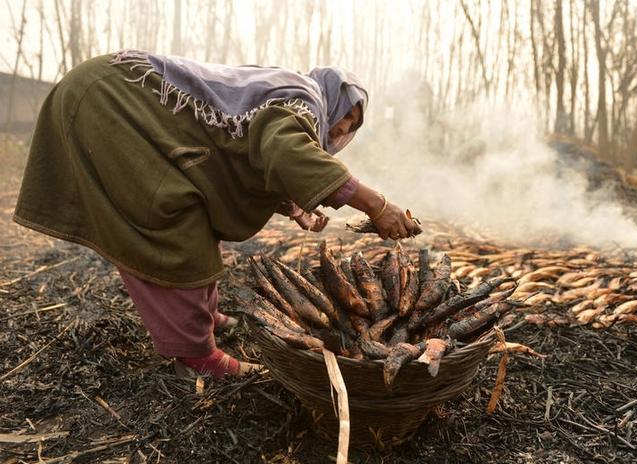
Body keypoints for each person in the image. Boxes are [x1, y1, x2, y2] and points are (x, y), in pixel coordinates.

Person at [13, 50, 421, 379]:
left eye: (350, 125)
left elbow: (241, 153)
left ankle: (201, 316)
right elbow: (286, 151)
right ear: (331, 97)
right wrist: (375, 204)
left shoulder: (289, 98)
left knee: (194, 213)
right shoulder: (304, 100)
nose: (339, 130)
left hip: (106, 92)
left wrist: (294, 204)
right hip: (110, 102)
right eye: (344, 115)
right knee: (171, 219)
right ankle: (194, 355)